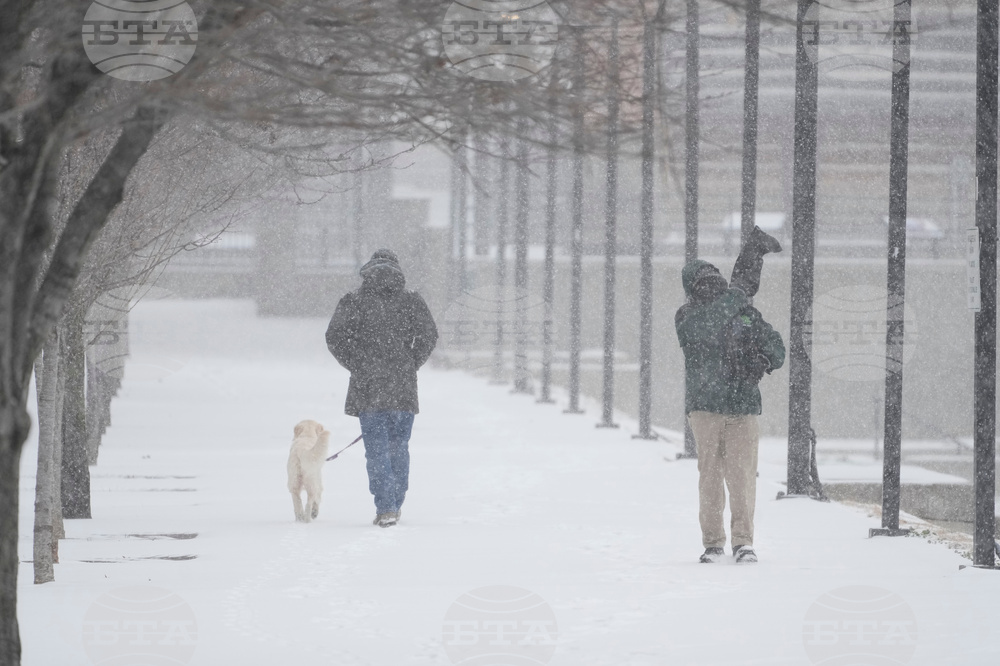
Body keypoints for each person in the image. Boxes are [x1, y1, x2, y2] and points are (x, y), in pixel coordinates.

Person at [675, 226, 785, 564]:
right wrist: (737, 294)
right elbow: (709, 325)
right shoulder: (688, 316)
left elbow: (777, 345)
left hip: (743, 406)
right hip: (706, 409)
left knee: (742, 477)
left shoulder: (744, 313)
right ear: (693, 290)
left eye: (714, 279)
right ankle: (713, 542)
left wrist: (762, 360)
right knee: (710, 476)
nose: (712, 286)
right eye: (704, 282)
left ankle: (743, 542)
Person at [326, 249, 438, 528]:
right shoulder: (412, 300)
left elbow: (334, 337)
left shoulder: (354, 300)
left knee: (376, 450)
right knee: (399, 446)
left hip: (368, 387)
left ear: (368, 270)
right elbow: (428, 335)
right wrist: (411, 362)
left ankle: (386, 506)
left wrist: (356, 363)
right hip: (402, 387)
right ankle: (396, 503)